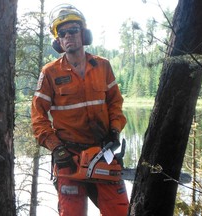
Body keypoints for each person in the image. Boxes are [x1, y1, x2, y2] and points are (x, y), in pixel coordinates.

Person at [31, 4, 129, 216]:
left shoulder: (102, 66)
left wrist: (115, 131)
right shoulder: (50, 73)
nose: (68, 36)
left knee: (119, 210)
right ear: (58, 40)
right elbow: (38, 117)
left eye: (73, 30)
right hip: (69, 156)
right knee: (72, 212)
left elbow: (115, 103)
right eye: (62, 33)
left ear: (83, 33)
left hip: (103, 151)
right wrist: (56, 148)